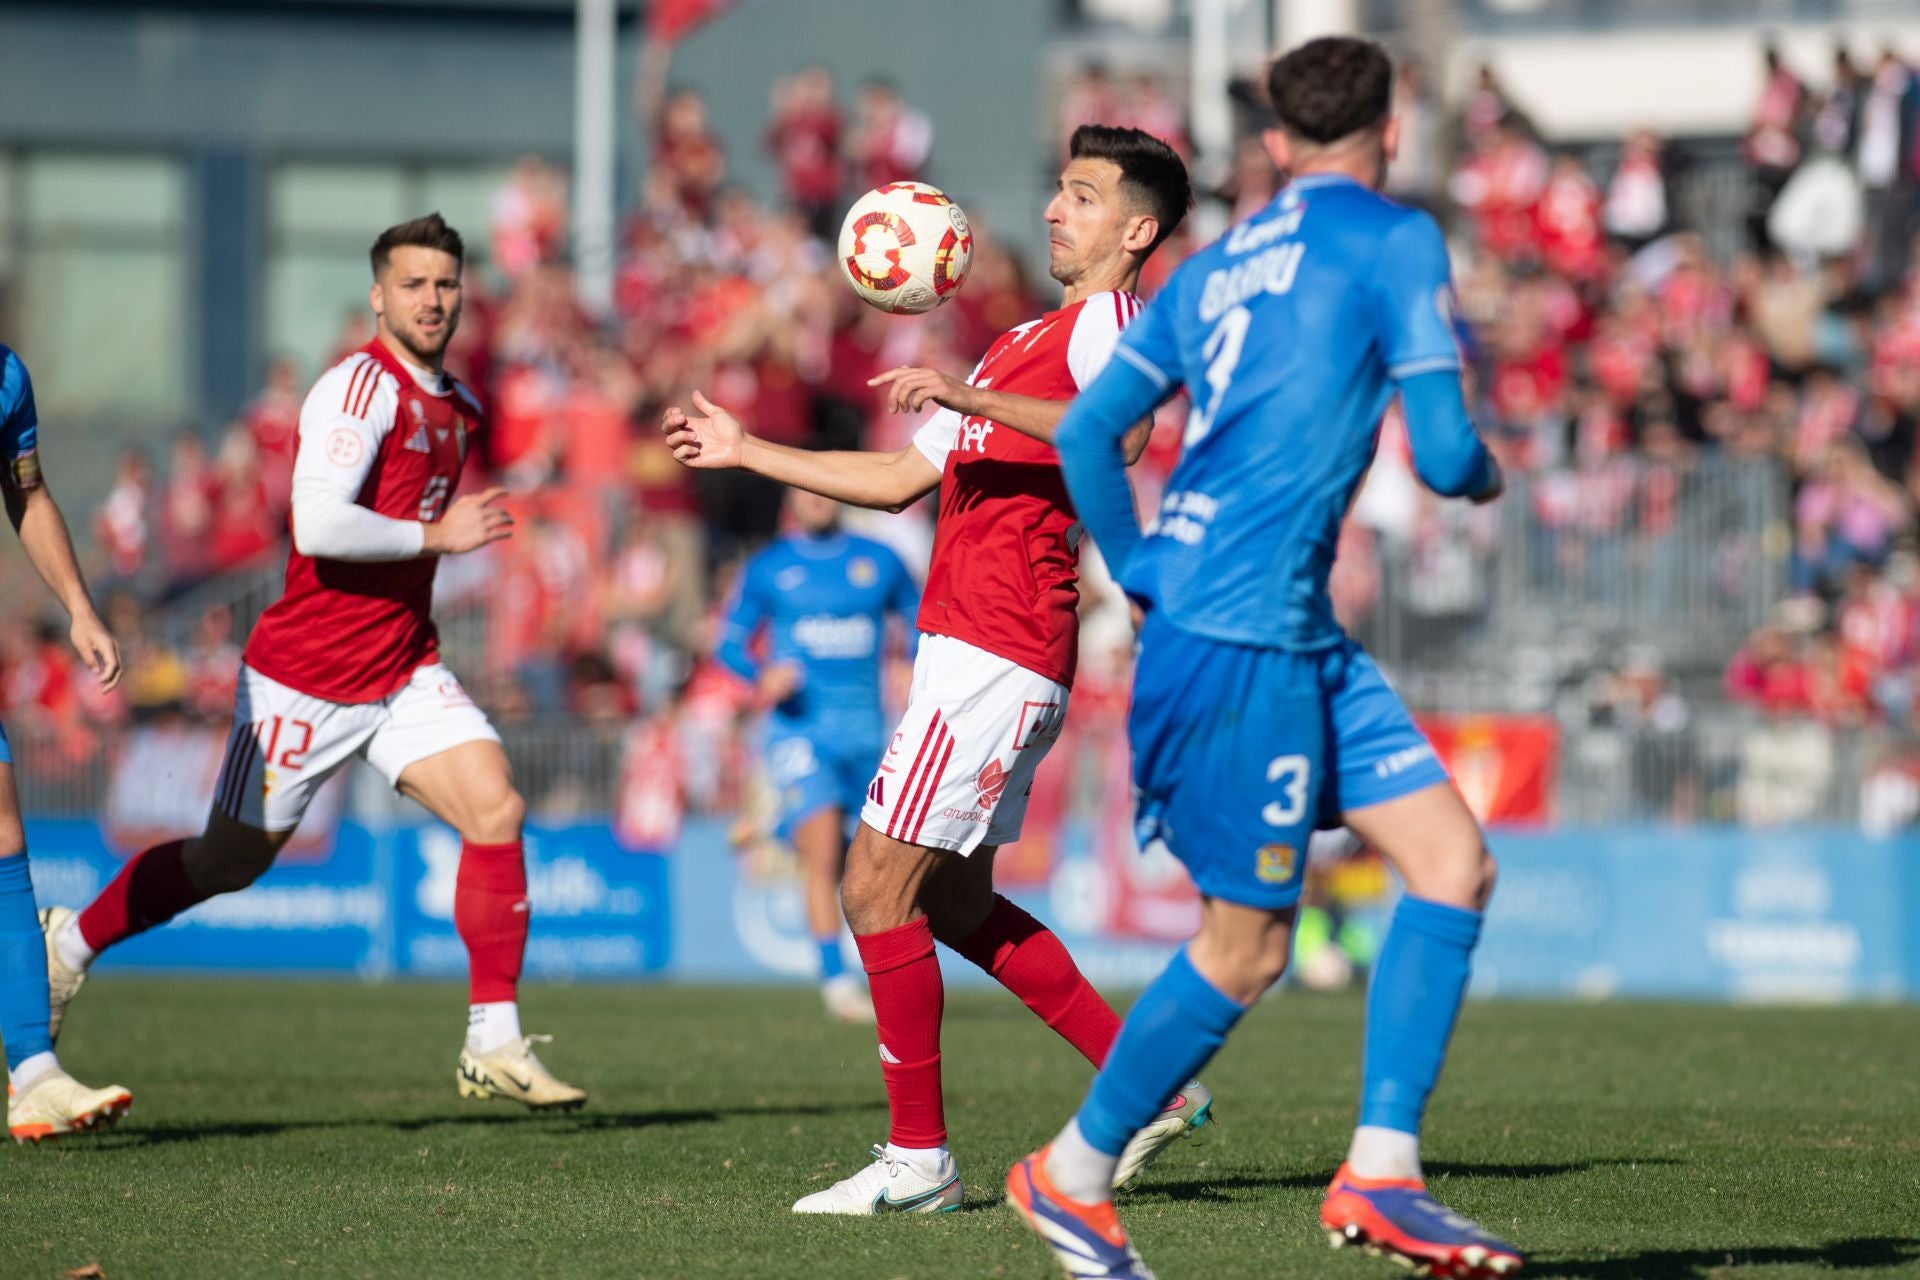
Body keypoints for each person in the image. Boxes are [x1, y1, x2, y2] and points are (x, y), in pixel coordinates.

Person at [1005, 38, 1521, 1280]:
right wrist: (1486, 467)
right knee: (1248, 947)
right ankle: (1069, 1176)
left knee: (1451, 861)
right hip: (1243, 635)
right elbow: (1448, 458)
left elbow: (1087, 436)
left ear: (1276, 144)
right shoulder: (1395, 239)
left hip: (1265, 620)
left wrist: (1137, 569)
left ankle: (1383, 1171)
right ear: (1390, 133)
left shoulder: (1217, 265)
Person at [662, 125, 1206, 1216]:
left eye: (1084, 197)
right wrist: (748, 451)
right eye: (1058, 190)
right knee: (955, 901)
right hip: (978, 647)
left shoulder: (1109, 326)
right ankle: (1149, 1088)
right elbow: (898, 476)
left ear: (1136, 229)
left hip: (998, 649)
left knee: (871, 885)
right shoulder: (1023, 339)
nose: (1055, 210)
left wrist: (970, 400)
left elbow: (1123, 439)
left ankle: (919, 1160)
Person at [41, 214, 588, 1113]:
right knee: (226, 862)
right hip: (303, 678)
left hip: (403, 669)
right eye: (413, 284)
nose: (432, 300)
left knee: (497, 805)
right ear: (378, 296)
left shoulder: (462, 406)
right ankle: (70, 945)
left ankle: (493, 1040)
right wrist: (434, 533)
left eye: (446, 284)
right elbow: (317, 524)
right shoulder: (356, 390)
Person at [715, 486, 920, 1022]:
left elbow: (922, 623)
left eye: (822, 489)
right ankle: (836, 983)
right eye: (803, 491)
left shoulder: (880, 561)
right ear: (789, 501)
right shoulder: (769, 567)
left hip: (866, 733)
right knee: (824, 848)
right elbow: (729, 644)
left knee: (864, 861)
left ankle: (778, 825)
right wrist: (763, 675)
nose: (815, 500)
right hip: (799, 731)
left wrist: (911, 661)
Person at [0, 345, 132, 1142]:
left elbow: (29, 494)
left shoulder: (6, 377)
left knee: (5, 834)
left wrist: (79, 609)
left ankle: (32, 1073)